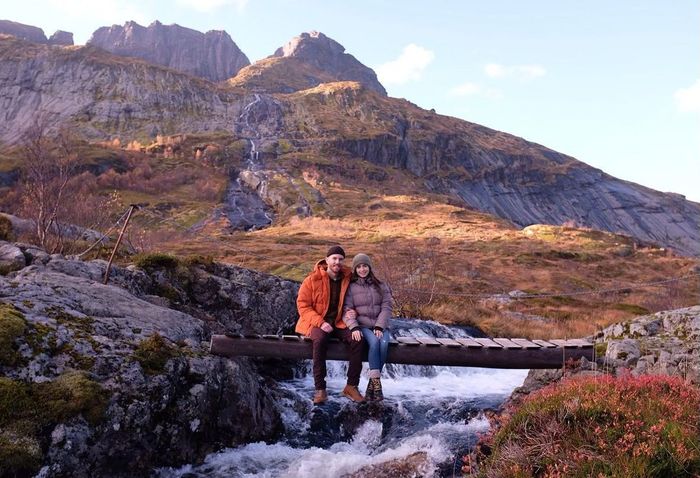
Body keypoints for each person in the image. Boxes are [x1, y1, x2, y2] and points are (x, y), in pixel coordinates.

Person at [295, 245, 365, 405]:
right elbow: (303, 306)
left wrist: (354, 312)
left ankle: (351, 386)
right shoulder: (312, 280)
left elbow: (359, 299)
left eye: (340, 259)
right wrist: (321, 322)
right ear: (326, 260)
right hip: (317, 323)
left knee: (358, 339)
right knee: (319, 340)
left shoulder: (349, 278)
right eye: (334, 258)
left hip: (340, 323)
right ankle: (320, 388)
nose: (337, 262)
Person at [342, 253, 393, 401]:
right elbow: (347, 311)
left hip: (381, 326)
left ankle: (373, 384)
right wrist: (354, 327)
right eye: (358, 267)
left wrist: (379, 326)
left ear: (369, 267)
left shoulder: (381, 285)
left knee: (383, 344)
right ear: (355, 269)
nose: (362, 269)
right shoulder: (351, 288)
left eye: (364, 266)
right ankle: (377, 386)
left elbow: (387, 307)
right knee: (375, 343)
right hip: (363, 326)